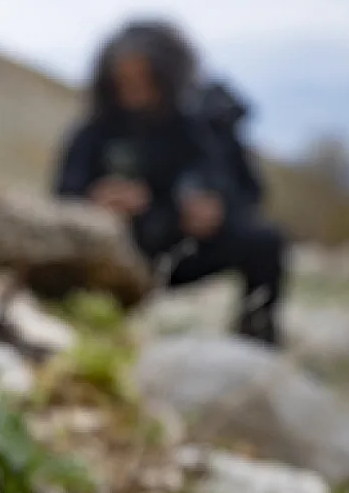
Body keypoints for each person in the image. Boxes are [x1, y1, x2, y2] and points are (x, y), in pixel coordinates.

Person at [55, 19, 286, 345]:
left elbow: (249, 193)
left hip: (184, 249)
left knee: (265, 240)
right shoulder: (95, 131)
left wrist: (215, 210)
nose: (134, 91)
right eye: (124, 81)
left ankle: (257, 336)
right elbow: (62, 196)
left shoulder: (201, 127)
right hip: (121, 255)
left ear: (167, 78)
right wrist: (96, 203)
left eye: (145, 80)